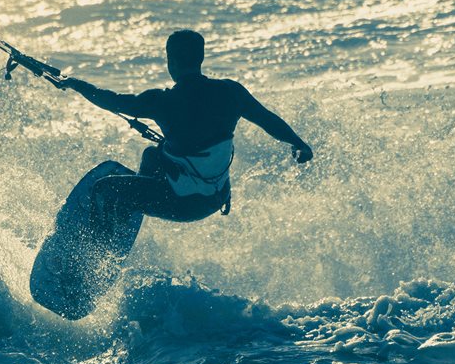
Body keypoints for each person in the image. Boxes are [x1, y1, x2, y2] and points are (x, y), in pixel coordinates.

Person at [58, 29, 312, 225]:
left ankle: (94, 256)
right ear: (201, 58)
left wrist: (73, 83)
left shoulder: (163, 101)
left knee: (103, 188)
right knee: (152, 155)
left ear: (171, 62)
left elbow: (109, 100)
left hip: (181, 205)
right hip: (216, 198)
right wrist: (298, 143)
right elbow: (268, 120)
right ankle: (132, 205)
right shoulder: (231, 92)